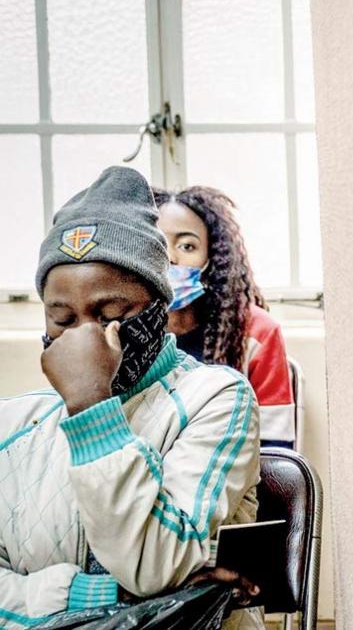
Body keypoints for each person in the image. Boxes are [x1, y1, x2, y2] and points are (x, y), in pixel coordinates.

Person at [0, 167, 263, 629]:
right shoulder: (15, 423)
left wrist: (92, 409)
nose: (83, 337)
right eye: (61, 319)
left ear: (159, 309)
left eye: (110, 315)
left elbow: (156, 564)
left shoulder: (216, 400)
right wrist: (94, 594)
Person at [152, 186, 295, 448]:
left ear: (211, 258)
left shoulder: (257, 332)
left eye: (187, 245)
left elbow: (275, 449)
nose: (171, 257)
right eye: (158, 243)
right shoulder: (120, 327)